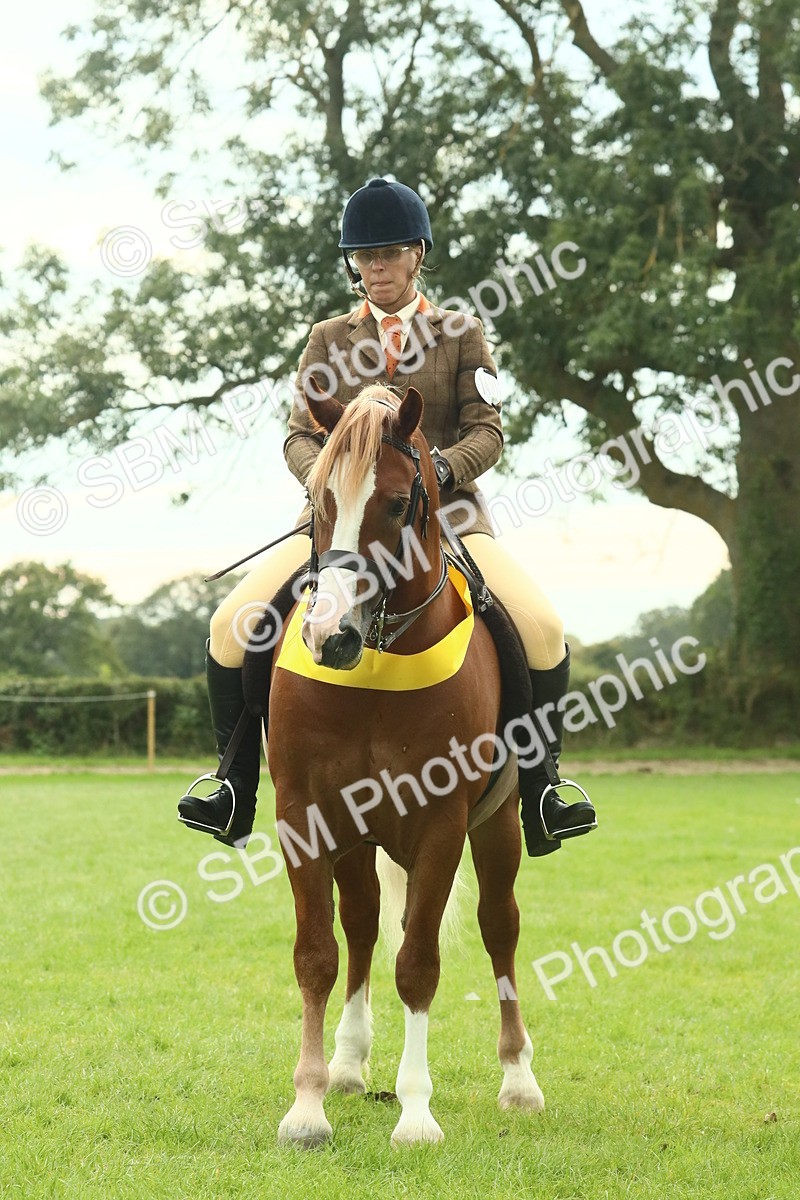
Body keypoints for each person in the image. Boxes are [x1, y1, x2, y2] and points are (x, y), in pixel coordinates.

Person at [178, 177, 597, 857]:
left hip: (450, 520)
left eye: (390, 253)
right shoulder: (326, 338)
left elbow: (487, 430)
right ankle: (232, 789)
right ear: (354, 264)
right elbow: (296, 434)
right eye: (365, 256)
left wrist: (436, 475)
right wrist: (329, 482)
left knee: (542, 630)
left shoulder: (462, 333)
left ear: (418, 255)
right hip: (339, 525)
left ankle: (542, 790)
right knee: (232, 627)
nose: (377, 267)